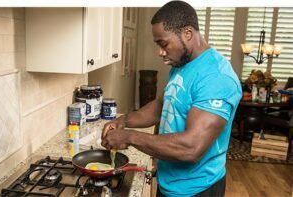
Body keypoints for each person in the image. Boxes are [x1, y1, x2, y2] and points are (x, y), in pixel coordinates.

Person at [101, 1, 242, 196]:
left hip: (198, 190)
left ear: (187, 34)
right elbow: (161, 105)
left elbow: (191, 148)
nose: (160, 52)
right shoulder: (181, 64)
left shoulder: (217, 78)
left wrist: (130, 136)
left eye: (164, 44)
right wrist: (123, 121)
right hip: (168, 182)